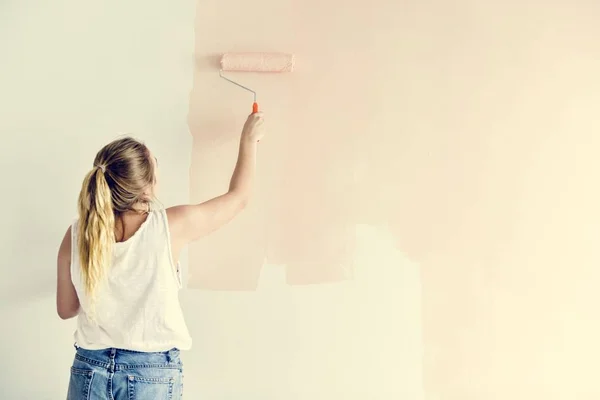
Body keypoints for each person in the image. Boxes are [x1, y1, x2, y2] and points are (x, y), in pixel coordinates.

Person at [56, 112, 265, 399]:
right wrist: (249, 139)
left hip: (89, 370)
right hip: (150, 373)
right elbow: (239, 198)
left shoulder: (77, 233)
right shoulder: (169, 226)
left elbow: (66, 308)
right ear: (146, 186)